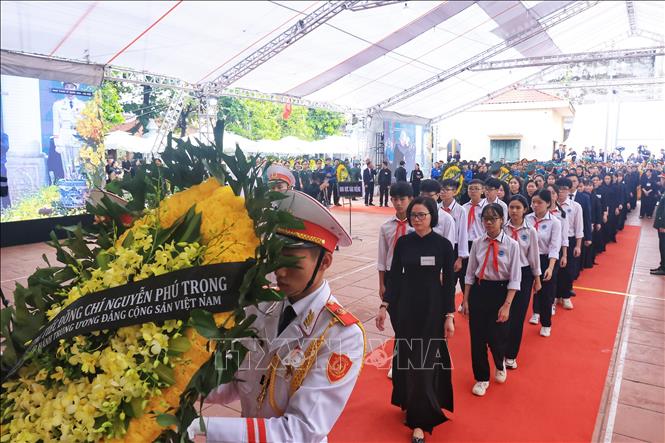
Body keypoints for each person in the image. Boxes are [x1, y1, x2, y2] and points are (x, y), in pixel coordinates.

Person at [188, 190, 365, 442]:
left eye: (292, 263)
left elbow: (300, 431)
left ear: (325, 262)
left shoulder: (340, 334)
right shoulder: (261, 306)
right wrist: (184, 385)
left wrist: (205, 426)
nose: (279, 271)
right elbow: (235, 381)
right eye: (274, 258)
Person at [376, 196, 455, 443]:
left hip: (432, 309)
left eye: (422, 215)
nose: (417, 220)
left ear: (432, 216)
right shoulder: (403, 243)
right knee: (408, 358)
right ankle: (410, 401)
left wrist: (449, 315)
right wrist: (385, 304)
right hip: (406, 308)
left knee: (425, 363)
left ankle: (420, 422)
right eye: (413, 216)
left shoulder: (443, 245)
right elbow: (395, 278)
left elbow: (450, 284)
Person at [462, 203, 521, 396]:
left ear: (502, 220)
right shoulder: (478, 243)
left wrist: (507, 305)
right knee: (477, 338)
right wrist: (466, 299)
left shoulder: (512, 245)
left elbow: (515, 278)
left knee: (497, 337)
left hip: (501, 292)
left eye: (493, 218)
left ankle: (499, 363)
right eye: (485, 219)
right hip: (480, 290)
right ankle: (481, 378)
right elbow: (470, 273)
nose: (488, 222)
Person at [377, 182, 414, 379]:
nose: (398, 203)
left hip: (412, 276)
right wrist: (382, 283)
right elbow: (382, 257)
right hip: (393, 277)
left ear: (410, 199)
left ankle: (401, 360)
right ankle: (401, 357)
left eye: (402, 199)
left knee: (409, 320)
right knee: (398, 320)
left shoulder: (417, 225)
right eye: (395, 199)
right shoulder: (386, 227)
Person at [503, 195, 541, 370]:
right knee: (503, 314)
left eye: (518, 208)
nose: (514, 211)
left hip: (524, 274)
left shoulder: (530, 231)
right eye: (511, 207)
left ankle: (511, 355)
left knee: (517, 316)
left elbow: (534, 256)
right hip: (504, 274)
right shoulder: (502, 228)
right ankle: (499, 348)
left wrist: (537, 279)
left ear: (525, 209)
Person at [526, 190, 563, 336]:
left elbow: (555, 247)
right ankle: (533, 313)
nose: (535, 205)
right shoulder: (527, 218)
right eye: (533, 202)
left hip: (545, 260)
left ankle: (546, 323)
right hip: (527, 259)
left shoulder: (554, 222)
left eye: (539, 202)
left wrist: (550, 267)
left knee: (546, 293)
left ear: (548, 203)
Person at [554, 178, 583, 310]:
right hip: (553, 242)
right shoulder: (550, 206)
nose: (561, 193)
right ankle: (554, 296)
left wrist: (578, 245)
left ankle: (565, 296)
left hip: (570, 241)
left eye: (564, 189)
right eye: (559, 190)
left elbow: (579, 228)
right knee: (555, 270)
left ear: (569, 190)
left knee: (568, 271)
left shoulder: (575, 206)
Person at [52, 82, 85, 179]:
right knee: (66, 163)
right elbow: (56, 124)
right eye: (67, 87)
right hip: (64, 134)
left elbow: (84, 124)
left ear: (76, 88)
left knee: (77, 162)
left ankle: (78, 183)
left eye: (71, 87)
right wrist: (57, 142)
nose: (69, 89)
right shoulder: (57, 104)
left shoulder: (82, 105)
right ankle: (68, 183)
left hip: (77, 135)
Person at [419, 179, 457, 248]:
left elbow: (449, 246)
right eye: (422, 195)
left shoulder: (446, 219)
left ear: (438, 195)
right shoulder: (414, 216)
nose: (425, 199)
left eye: (430, 196)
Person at [651, 172, 665, 275]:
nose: (660, 180)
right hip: (661, 223)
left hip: (663, 225)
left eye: (662, 179)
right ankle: (662, 265)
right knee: (662, 245)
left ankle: (663, 268)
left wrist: (663, 225)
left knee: (663, 246)